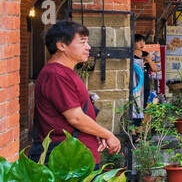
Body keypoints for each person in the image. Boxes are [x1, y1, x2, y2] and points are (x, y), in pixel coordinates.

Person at [31, 20, 121, 163]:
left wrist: (96, 132)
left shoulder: (63, 72)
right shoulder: (56, 74)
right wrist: (108, 134)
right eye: (82, 42)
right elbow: (76, 118)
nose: (88, 47)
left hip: (76, 155)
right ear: (61, 46)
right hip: (68, 160)